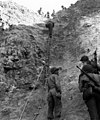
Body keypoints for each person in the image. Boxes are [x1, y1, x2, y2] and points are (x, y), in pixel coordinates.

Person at [79, 55, 100, 120]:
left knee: (93, 114)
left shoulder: (83, 77)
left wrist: (85, 88)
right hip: (98, 93)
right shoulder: (97, 76)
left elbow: (80, 89)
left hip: (89, 95)